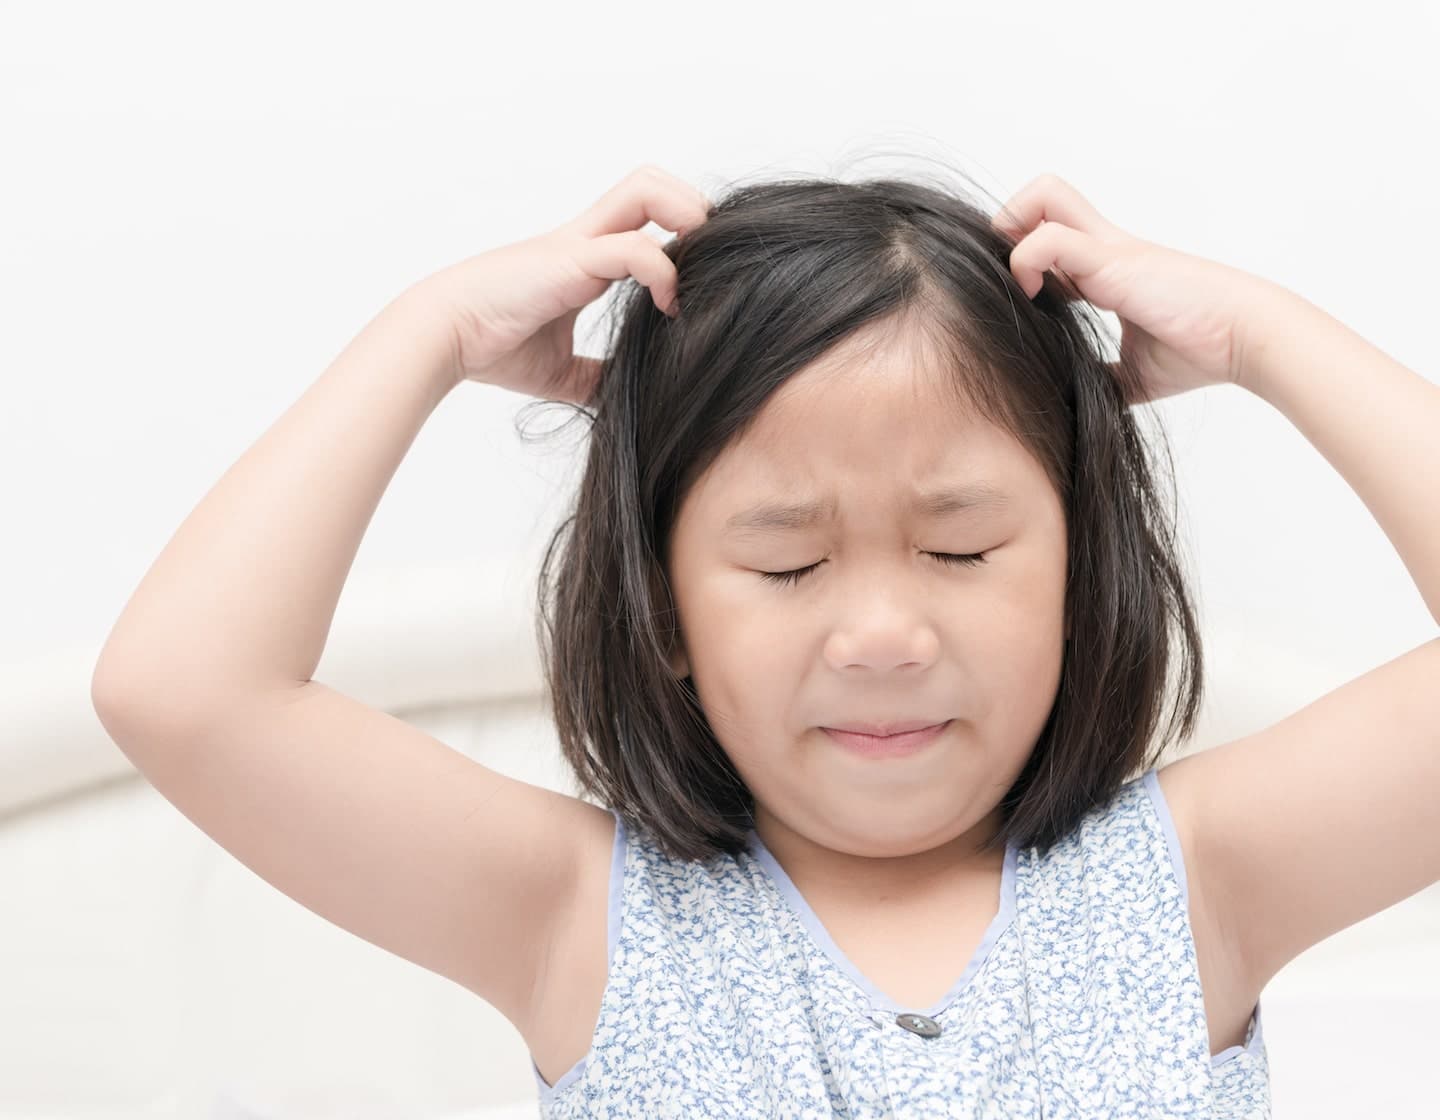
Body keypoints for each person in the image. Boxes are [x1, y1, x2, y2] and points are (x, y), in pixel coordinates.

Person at [91, 163, 1440, 1119]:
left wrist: (1263, 336)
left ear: (1084, 579)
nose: (882, 634)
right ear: (665, 613)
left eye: (962, 551)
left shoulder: (1196, 884)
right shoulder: (577, 919)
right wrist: (429, 333)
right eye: (788, 563)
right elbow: (183, 693)